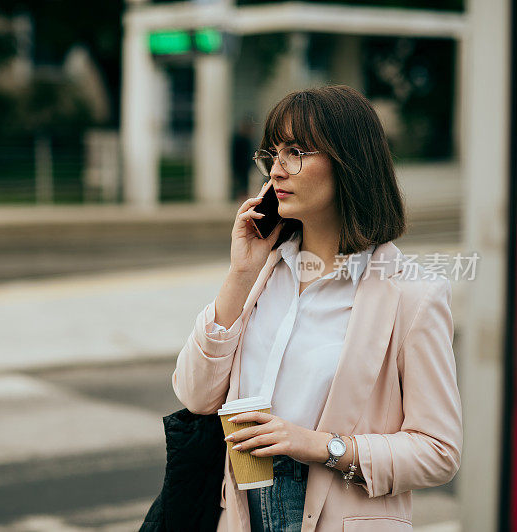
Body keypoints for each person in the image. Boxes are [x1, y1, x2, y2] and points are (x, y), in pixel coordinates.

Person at [171, 85, 462, 531]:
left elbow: (439, 452)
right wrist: (239, 274)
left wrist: (321, 446)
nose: (277, 169)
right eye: (273, 153)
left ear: (349, 163)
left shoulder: (412, 296)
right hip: (243, 513)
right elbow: (194, 395)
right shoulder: (263, 274)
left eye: (297, 151)